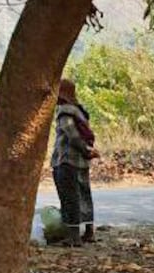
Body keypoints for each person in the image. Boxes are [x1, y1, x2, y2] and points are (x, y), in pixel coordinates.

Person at [53, 79, 98, 246]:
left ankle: (74, 237)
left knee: (69, 197)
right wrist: (88, 152)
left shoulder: (64, 111)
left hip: (66, 160)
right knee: (84, 195)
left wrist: (85, 150)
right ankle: (89, 232)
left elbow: (72, 135)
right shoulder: (80, 110)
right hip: (82, 161)